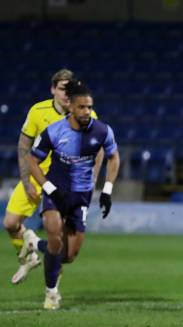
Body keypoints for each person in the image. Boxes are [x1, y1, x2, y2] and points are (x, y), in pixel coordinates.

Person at [26, 80, 120, 310]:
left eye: (89, 107)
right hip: (56, 193)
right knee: (56, 240)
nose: (87, 112)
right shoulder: (54, 132)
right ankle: (51, 293)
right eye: (82, 107)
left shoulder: (102, 130)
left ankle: (34, 243)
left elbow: (114, 157)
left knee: (68, 255)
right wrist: (49, 189)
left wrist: (106, 190)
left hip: (82, 195)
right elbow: (32, 160)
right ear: (71, 107)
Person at [4, 69, 100, 284]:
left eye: (69, 89)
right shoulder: (38, 111)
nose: (66, 94)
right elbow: (24, 145)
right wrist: (26, 178)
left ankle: (51, 283)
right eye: (61, 89)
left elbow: (99, 146)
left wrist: (92, 177)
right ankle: (30, 257)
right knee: (10, 223)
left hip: (66, 184)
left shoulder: (85, 113)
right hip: (37, 176)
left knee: (62, 247)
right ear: (52, 90)